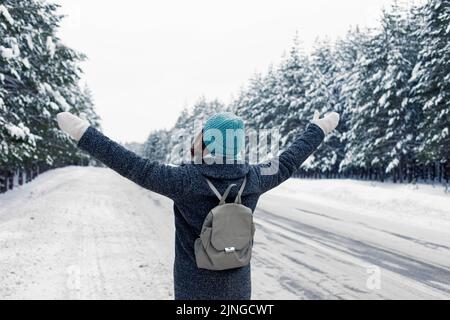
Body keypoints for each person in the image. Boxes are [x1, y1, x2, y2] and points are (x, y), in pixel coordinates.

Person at [56, 110, 339, 299]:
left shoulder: (185, 180)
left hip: (194, 291)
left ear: (207, 142)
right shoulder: (254, 178)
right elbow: (290, 159)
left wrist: (83, 132)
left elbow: (132, 165)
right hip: (239, 290)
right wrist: (319, 128)